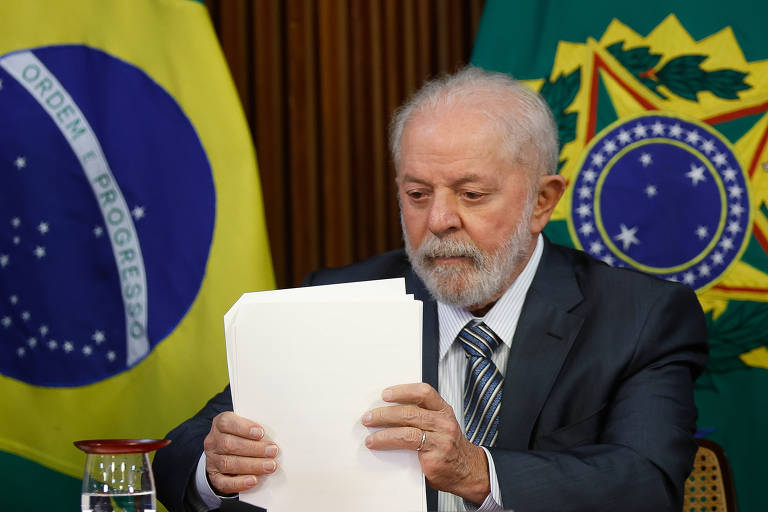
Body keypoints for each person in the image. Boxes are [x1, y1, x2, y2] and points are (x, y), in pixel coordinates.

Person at [153, 67, 708, 512]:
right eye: (418, 194)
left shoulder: (641, 315)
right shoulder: (339, 297)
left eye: (470, 194)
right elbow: (181, 451)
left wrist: (476, 471)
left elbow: (646, 484)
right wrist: (215, 468)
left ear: (543, 201)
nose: (438, 220)